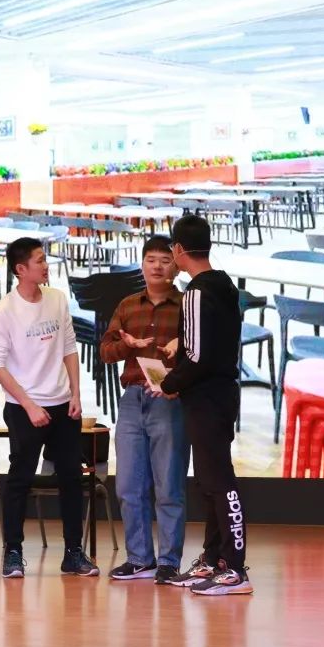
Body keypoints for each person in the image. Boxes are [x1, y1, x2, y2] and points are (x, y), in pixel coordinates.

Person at [0, 237, 98, 579]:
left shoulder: (57, 299)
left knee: (71, 478)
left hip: (63, 405)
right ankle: (13, 553)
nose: (46, 265)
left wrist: (75, 393)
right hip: (24, 408)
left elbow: (69, 348)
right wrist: (29, 404)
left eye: (45, 259)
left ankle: (73, 553)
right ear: (21, 269)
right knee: (19, 479)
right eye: (39, 261)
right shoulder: (4, 311)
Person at [157, 214, 253, 596]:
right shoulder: (224, 285)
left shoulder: (196, 292)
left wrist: (169, 383)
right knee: (210, 482)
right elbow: (208, 344)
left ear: (179, 249)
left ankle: (235, 569)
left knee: (219, 482)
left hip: (208, 399)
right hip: (221, 395)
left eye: (171, 250)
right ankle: (214, 560)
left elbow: (197, 357)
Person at [99, 236, 188, 585]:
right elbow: (106, 351)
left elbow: (203, 351)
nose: (157, 267)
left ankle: (168, 562)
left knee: (169, 485)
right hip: (133, 398)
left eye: (165, 260)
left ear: (176, 266)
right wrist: (128, 346)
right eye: (151, 260)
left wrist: (181, 347)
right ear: (142, 264)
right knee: (128, 485)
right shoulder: (127, 305)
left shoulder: (187, 306)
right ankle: (139, 559)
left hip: (170, 399)